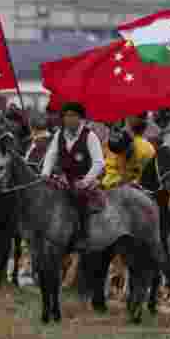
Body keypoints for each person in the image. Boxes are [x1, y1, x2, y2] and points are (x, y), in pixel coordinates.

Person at [40, 101, 106, 250]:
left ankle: (82, 235)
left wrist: (85, 181)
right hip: (63, 178)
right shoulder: (59, 134)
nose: (69, 119)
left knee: (79, 198)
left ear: (81, 118)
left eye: (73, 116)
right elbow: (51, 155)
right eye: (66, 116)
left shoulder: (90, 136)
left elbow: (99, 163)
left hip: (83, 179)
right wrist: (45, 173)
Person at [102, 126, 156, 190]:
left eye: (124, 151)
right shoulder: (114, 151)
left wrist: (133, 182)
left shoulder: (147, 151)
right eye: (119, 153)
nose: (122, 155)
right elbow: (110, 168)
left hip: (140, 184)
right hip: (121, 181)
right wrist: (114, 182)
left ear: (131, 143)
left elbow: (146, 178)